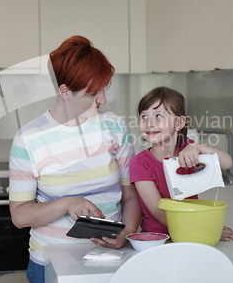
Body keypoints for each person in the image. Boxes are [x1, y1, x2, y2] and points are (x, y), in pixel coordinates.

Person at [9, 35, 142, 283]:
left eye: (104, 89)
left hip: (111, 261)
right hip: (50, 265)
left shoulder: (115, 127)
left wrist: (128, 232)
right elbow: (20, 215)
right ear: (65, 91)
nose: (102, 99)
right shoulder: (28, 138)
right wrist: (67, 203)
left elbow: (131, 195)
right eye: (93, 93)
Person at [130, 87, 233, 241]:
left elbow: (227, 163)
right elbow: (160, 213)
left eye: (158, 116)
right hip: (159, 240)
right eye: (144, 117)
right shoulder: (140, 164)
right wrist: (205, 229)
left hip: (191, 234)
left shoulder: (187, 152)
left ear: (179, 122)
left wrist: (198, 147)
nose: (149, 123)